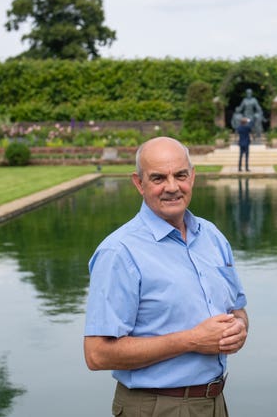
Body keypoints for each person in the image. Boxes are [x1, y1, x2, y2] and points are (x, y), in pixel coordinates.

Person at [84, 136, 249, 417]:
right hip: (155, 406)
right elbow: (97, 354)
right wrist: (192, 340)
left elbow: (237, 310)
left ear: (192, 176)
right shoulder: (120, 252)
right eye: (158, 178)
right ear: (139, 183)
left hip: (215, 403)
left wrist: (239, 330)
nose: (172, 187)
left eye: (180, 175)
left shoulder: (212, 236)